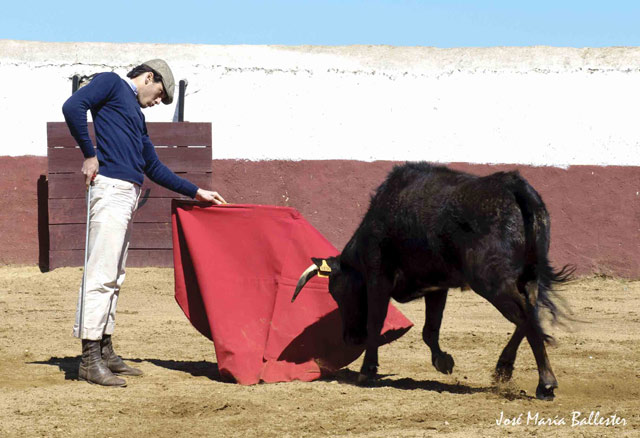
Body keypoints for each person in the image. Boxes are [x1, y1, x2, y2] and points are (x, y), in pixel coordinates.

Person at [62, 59, 226, 387]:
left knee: (114, 275)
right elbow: (73, 105)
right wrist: (89, 153)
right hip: (109, 188)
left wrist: (197, 192)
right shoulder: (110, 82)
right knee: (101, 273)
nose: (156, 103)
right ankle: (89, 358)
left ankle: (104, 349)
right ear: (149, 77)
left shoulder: (136, 116)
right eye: (159, 94)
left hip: (125, 194)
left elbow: (153, 165)